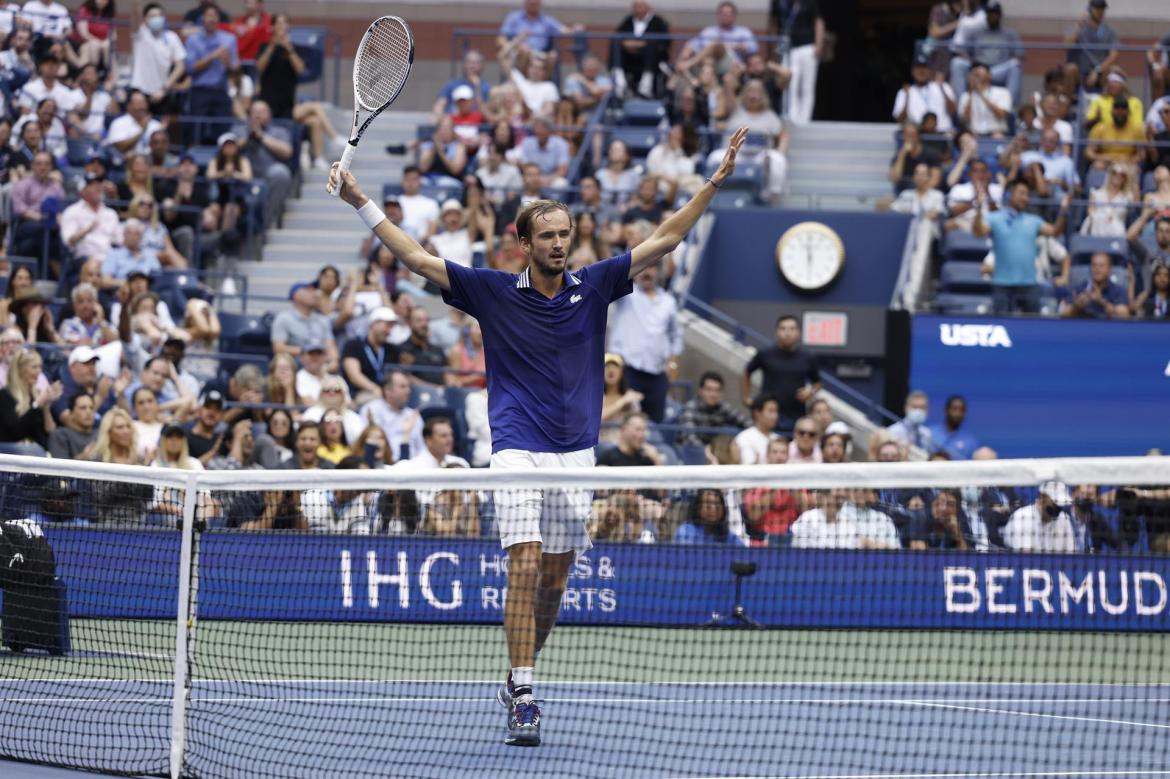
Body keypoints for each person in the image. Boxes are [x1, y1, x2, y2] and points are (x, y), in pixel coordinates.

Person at [329, 125, 748, 747]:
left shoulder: (596, 284)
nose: (559, 243)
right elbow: (416, 257)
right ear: (522, 243)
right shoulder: (492, 292)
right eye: (547, 235)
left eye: (565, 234)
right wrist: (360, 200)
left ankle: (519, 670)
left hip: (576, 453)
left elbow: (667, 236)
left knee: (554, 582)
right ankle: (524, 691)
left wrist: (713, 182)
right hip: (517, 445)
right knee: (522, 563)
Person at [972, 178, 1069, 314]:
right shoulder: (994, 218)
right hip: (1002, 283)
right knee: (1002, 326)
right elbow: (978, 232)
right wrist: (977, 210)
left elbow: (1055, 231)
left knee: (1031, 328)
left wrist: (1063, 211)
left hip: (1029, 283)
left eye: (1027, 194)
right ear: (1009, 194)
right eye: (1021, 193)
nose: (1025, 198)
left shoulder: (1034, 220)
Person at [606, 266, 681, 423]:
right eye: (643, 268)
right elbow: (611, 272)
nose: (647, 272)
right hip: (627, 371)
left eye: (652, 268)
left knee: (655, 424)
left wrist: (673, 364)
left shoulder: (668, 301)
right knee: (624, 421)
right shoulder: (626, 295)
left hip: (657, 374)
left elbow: (676, 336)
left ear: (658, 272)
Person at [741, 314, 820, 433]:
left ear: (798, 332)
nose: (787, 333)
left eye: (792, 329)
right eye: (783, 329)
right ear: (777, 332)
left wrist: (811, 391)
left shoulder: (807, 357)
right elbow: (747, 371)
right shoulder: (765, 354)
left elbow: (818, 382)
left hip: (796, 416)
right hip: (768, 416)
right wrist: (746, 398)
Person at [949, 2, 1022, 105]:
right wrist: (975, 66)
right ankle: (962, 103)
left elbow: (1019, 54)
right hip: (978, 69)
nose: (993, 17)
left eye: (995, 14)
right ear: (986, 16)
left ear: (1000, 16)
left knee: (1015, 65)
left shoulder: (1009, 34)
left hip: (997, 71)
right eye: (990, 14)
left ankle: (1009, 105)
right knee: (957, 63)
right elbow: (964, 51)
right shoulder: (977, 32)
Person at [184, 4, 238, 138]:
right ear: (202, 18)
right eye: (208, 16)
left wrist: (228, 63)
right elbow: (190, 68)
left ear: (218, 19)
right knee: (196, 131)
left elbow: (236, 68)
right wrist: (213, 56)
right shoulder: (193, 40)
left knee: (224, 130)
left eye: (214, 16)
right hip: (200, 91)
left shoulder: (229, 39)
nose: (211, 19)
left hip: (221, 89)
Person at [769, 0, 823, 125]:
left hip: (807, 47)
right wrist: (773, 49)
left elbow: (818, 21)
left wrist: (818, 44)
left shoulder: (810, 2)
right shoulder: (779, 2)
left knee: (807, 86)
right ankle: (792, 117)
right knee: (790, 83)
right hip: (788, 48)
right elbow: (773, 23)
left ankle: (805, 119)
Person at [790, 489, 900, 549]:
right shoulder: (808, 518)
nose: (839, 502)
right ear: (822, 497)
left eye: (841, 499)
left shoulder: (847, 525)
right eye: (836, 498)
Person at [129, 2, 187, 116]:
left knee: (159, 131)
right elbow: (135, 13)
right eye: (152, 16)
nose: (157, 19)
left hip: (161, 93)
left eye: (159, 15)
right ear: (145, 19)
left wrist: (165, 88)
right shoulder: (141, 33)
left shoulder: (172, 37)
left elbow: (181, 66)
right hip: (139, 92)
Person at [0, 349, 60, 449]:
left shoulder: (37, 396)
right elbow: (15, 432)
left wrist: (46, 407)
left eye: (40, 367)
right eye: (34, 367)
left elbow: (50, 432)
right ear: (20, 369)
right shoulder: (5, 395)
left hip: (35, 451)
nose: (39, 372)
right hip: (9, 452)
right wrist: (37, 404)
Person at [360, 370, 425, 461]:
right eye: (403, 387)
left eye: (409, 387)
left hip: (412, 468)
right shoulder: (372, 409)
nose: (408, 391)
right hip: (382, 466)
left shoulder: (413, 415)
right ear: (388, 390)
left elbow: (422, 449)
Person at [59, 172, 122, 264]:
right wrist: (87, 230)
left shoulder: (111, 214)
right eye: (92, 185)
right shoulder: (72, 211)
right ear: (82, 191)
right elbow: (68, 241)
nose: (97, 188)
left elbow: (119, 240)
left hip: (109, 259)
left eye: (99, 184)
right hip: (84, 259)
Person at [612, 0, 670, 100]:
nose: (637, 10)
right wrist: (626, 43)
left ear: (647, 7)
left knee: (652, 42)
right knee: (616, 42)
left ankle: (646, 84)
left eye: (640, 6)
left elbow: (664, 41)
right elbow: (619, 34)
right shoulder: (628, 21)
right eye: (635, 7)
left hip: (651, 59)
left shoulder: (658, 21)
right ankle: (619, 79)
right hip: (629, 57)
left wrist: (641, 44)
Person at [675, 370, 750, 447]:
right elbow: (689, 438)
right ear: (700, 391)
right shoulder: (690, 408)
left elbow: (746, 422)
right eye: (708, 389)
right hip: (690, 453)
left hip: (713, 453)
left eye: (717, 390)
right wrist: (708, 452)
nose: (713, 394)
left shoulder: (723, 407)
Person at [272, 281, 337, 367]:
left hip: (321, 369)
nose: (315, 293)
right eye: (309, 290)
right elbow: (278, 348)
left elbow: (330, 347)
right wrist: (308, 352)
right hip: (295, 370)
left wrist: (334, 362)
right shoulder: (284, 318)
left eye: (315, 290)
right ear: (295, 295)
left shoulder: (323, 319)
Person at [341, 306, 398, 403]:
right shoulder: (354, 345)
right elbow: (354, 375)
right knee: (376, 401)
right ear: (374, 324)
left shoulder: (391, 349)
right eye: (387, 326)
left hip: (386, 394)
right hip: (361, 393)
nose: (389, 331)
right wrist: (374, 389)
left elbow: (396, 374)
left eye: (391, 327)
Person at [1002, 480, 1075, 553]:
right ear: (1042, 498)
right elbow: (1026, 559)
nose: (1057, 510)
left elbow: (1070, 554)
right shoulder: (1021, 518)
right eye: (1054, 505)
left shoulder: (1064, 518)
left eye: (1059, 507)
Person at [893, 53, 957, 133]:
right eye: (918, 68)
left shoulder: (943, 86)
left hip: (943, 134)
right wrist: (907, 97)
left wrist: (942, 89)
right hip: (918, 136)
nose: (921, 71)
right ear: (912, 71)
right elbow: (899, 119)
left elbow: (953, 111)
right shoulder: (904, 92)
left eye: (924, 68)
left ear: (930, 70)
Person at [1064, 0, 1118, 92]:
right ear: (1089, 9)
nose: (1100, 12)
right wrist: (1078, 27)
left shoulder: (1109, 31)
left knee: (1114, 70)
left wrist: (1098, 71)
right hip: (1080, 70)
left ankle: (1108, 102)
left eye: (1102, 9)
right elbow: (1067, 45)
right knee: (1070, 69)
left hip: (1099, 70)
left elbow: (1114, 55)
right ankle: (1069, 101)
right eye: (1097, 9)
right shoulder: (1078, 27)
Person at [1060, 252, 1130, 320]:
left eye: (1101, 266)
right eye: (1094, 265)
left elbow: (1124, 314)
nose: (1097, 269)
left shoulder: (1118, 290)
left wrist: (1101, 301)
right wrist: (1076, 307)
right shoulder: (1080, 289)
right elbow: (1063, 314)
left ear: (1109, 269)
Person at [957, 62, 1011, 137]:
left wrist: (981, 93)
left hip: (996, 133)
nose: (976, 77)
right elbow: (965, 120)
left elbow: (1001, 115)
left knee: (998, 136)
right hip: (974, 134)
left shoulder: (1002, 92)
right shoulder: (965, 96)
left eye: (979, 74)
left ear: (989, 75)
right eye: (974, 75)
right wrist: (971, 92)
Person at [674, 489, 744, 545]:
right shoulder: (686, 532)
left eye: (717, 504)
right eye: (708, 504)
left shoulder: (730, 538)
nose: (713, 509)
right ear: (698, 508)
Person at [926, 395, 978, 460]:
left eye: (962, 410)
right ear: (946, 410)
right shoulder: (929, 433)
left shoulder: (970, 441)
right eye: (954, 409)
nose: (958, 413)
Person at [48, 391, 97, 459]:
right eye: (83, 408)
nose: (88, 412)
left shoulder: (101, 435)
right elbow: (60, 467)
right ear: (71, 413)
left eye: (91, 408)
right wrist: (83, 457)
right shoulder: (60, 435)